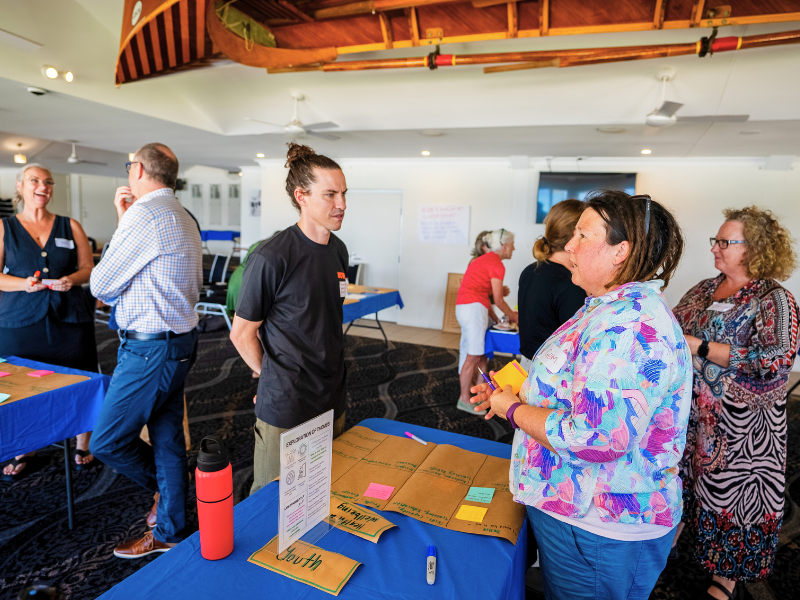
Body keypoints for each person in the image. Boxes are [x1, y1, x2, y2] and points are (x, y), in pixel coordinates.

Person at [470, 191, 690, 600]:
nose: (569, 246)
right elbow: (579, 384)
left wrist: (512, 409)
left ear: (620, 251)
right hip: (578, 511)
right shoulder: (604, 304)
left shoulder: (626, 327)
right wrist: (521, 385)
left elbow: (597, 437)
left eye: (583, 236)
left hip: (601, 525)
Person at [672, 206, 799, 600]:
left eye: (727, 242)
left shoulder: (773, 299)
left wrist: (705, 347)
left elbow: (776, 359)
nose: (716, 248)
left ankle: (725, 580)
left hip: (743, 430)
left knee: (734, 500)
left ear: (755, 248)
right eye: (717, 240)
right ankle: (667, 548)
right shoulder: (703, 290)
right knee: (684, 485)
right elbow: (673, 325)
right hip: (693, 417)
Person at [89, 143, 202, 558]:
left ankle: (169, 493)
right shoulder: (183, 216)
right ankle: (171, 527)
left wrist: (122, 222)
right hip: (178, 345)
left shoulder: (144, 215)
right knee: (168, 438)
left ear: (137, 169)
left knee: (107, 441)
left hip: (150, 352)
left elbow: (101, 287)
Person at [230, 143, 349, 497]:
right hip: (289, 402)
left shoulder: (338, 249)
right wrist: (270, 377)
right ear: (302, 196)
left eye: (343, 193)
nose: (341, 204)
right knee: (272, 497)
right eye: (330, 194)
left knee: (324, 487)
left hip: (333, 393)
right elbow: (241, 334)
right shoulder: (271, 257)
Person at [0, 164, 96, 480]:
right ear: (20, 186)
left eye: (48, 182)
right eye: (35, 181)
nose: (43, 186)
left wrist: (71, 279)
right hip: (20, 321)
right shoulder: (5, 228)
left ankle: (83, 442)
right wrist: (22, 284)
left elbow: (88, 268)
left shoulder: (71, 226)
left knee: (80, 378)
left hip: (69, 319)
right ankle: (24, 446)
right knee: (23, 384)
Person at [518, 199, 586, 373]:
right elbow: (576, 347)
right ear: (574, 235)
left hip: (526, 363)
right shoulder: (570, 284)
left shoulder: (530, 270)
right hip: (550, 373)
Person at [455, 228, 517, 415]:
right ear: (504, 246)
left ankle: (479, 395)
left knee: (480, 355)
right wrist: (514, 317)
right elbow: (498, 299)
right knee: (473, 356)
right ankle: (464, 399)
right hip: (473, 310)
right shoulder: (496, 263)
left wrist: (498, 320)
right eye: (512, 246)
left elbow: (482, 294)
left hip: (469, 308)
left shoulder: (482, 260)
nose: (513, 249)